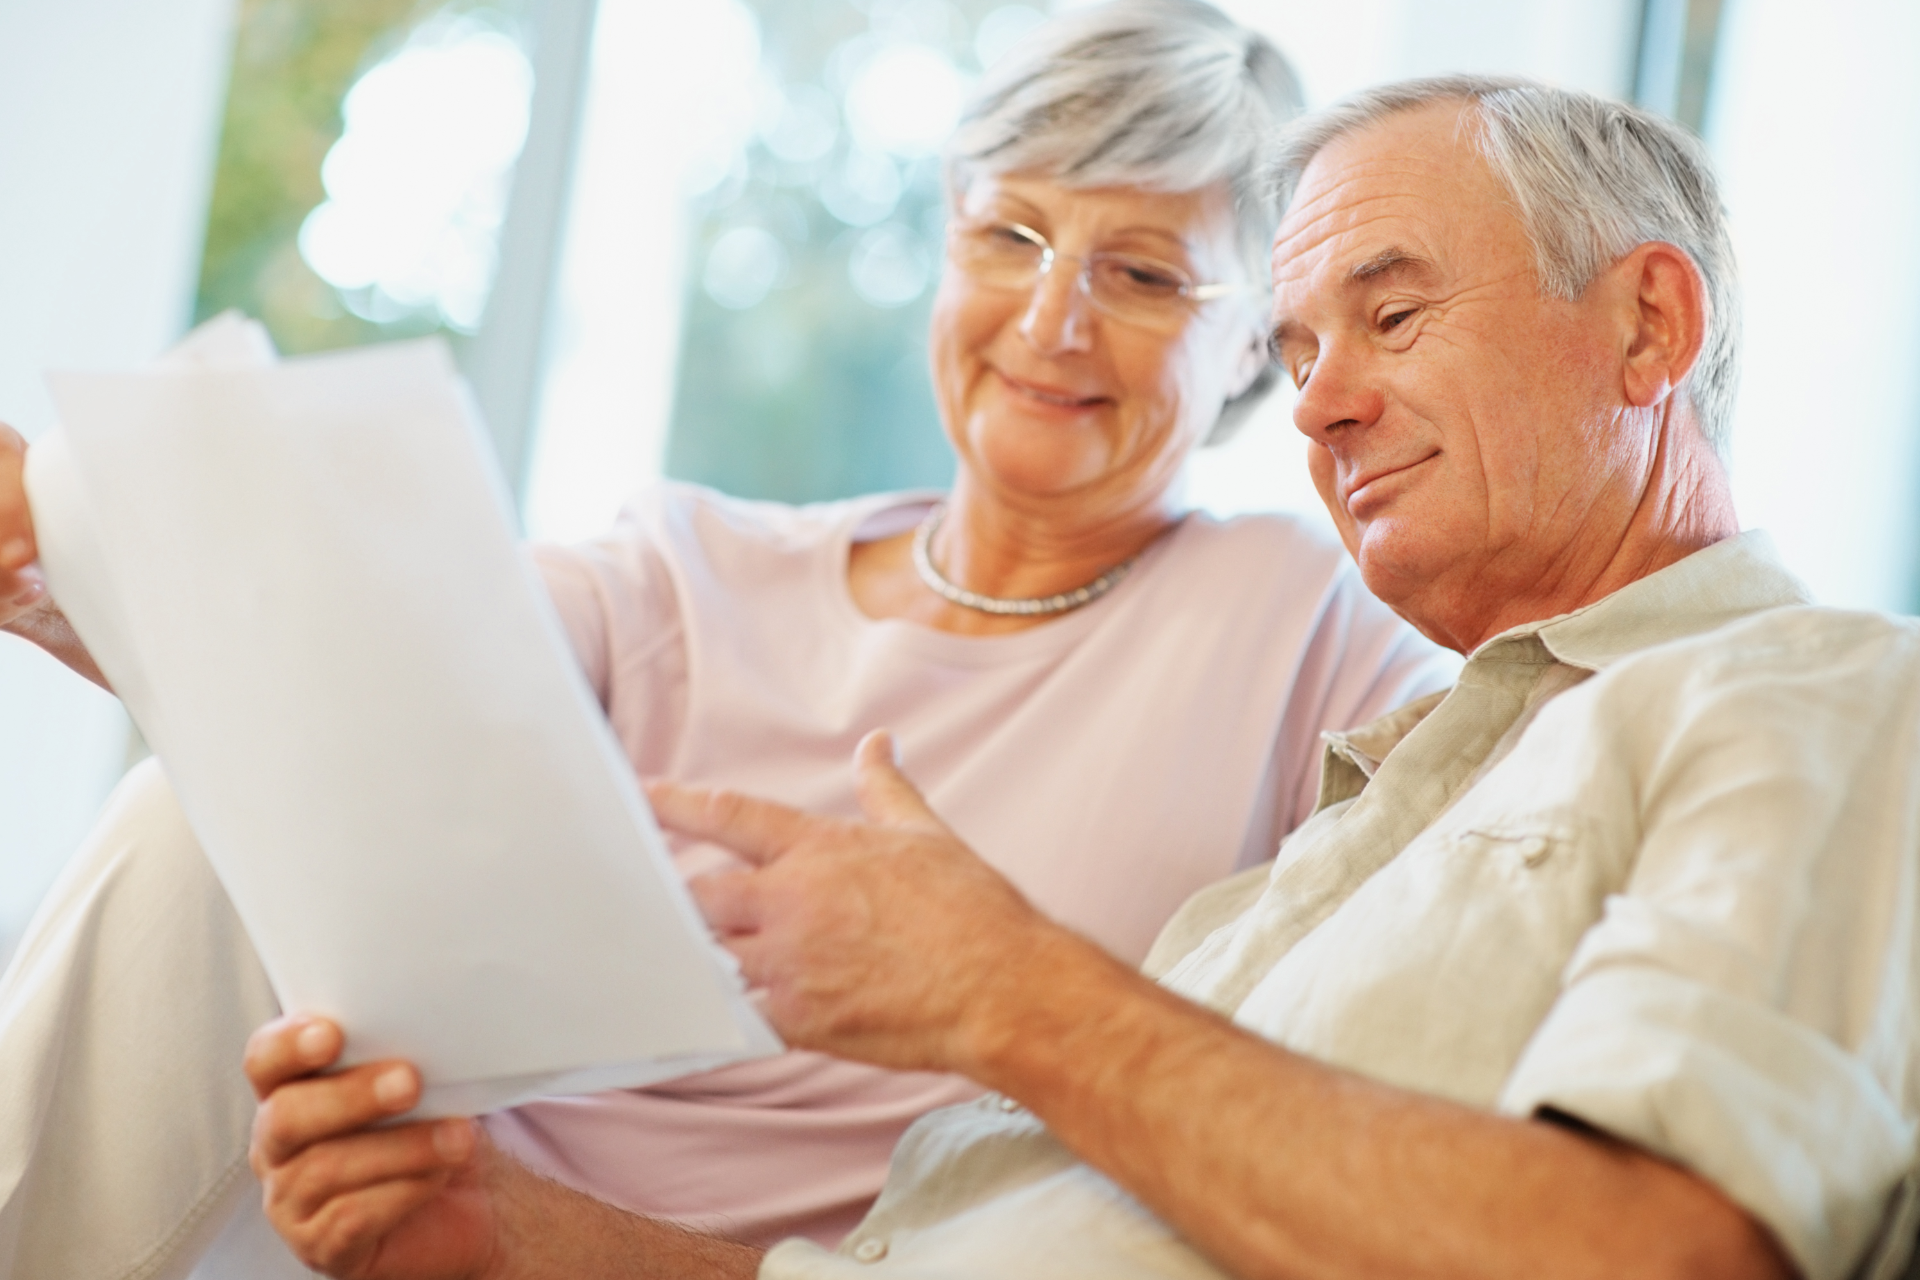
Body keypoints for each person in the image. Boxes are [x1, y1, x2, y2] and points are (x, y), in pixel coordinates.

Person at [246, 73, 1920, 1280]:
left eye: (1390, 318)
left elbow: (1663, 1255)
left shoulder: (1806, 695)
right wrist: (506, 1236)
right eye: (1302, 351)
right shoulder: (1372, 802)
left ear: (1648, 329)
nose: (1326, 406)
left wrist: (1006, 994)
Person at [0, 4, 1454, 1277]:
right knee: (187, 821)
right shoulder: (684, 571)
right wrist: (79, 577)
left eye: (1142, 275)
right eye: (1009, 235)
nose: (1051, 319)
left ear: (1258, 344)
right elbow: (348, 681)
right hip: (412, 1217)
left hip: (751, 1272)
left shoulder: (1311, 631)